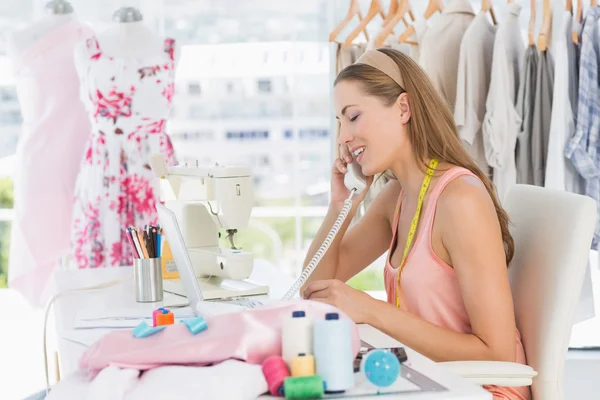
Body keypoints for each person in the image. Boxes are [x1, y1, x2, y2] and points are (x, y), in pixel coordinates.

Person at [301, 48, 530, 400]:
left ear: (403, 109)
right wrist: (341, 205)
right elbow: (314, 286)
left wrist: (369, 309)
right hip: (430, 380)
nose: (343, 137)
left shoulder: (460, 200)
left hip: (483, 389)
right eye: (339, 122)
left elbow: (496, 354)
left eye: (354, 116)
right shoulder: (397, 195)